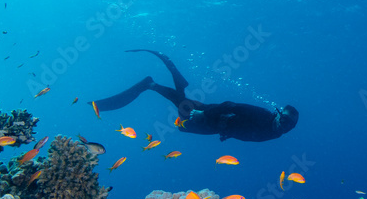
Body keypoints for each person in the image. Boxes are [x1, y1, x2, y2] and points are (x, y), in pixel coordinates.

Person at [94, 50, 298, 142]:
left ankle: (153, 84)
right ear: (278, 114)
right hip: (213, 117)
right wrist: (205, 114)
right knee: (183, 115)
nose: (285, 126)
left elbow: (245, 131)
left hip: (217, 127)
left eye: (290, 125)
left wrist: (228, 134)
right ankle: (152, 84)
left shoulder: (275, 133)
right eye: (285, 120)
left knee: (181, 122)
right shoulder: (264, 116)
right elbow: (231, 105)